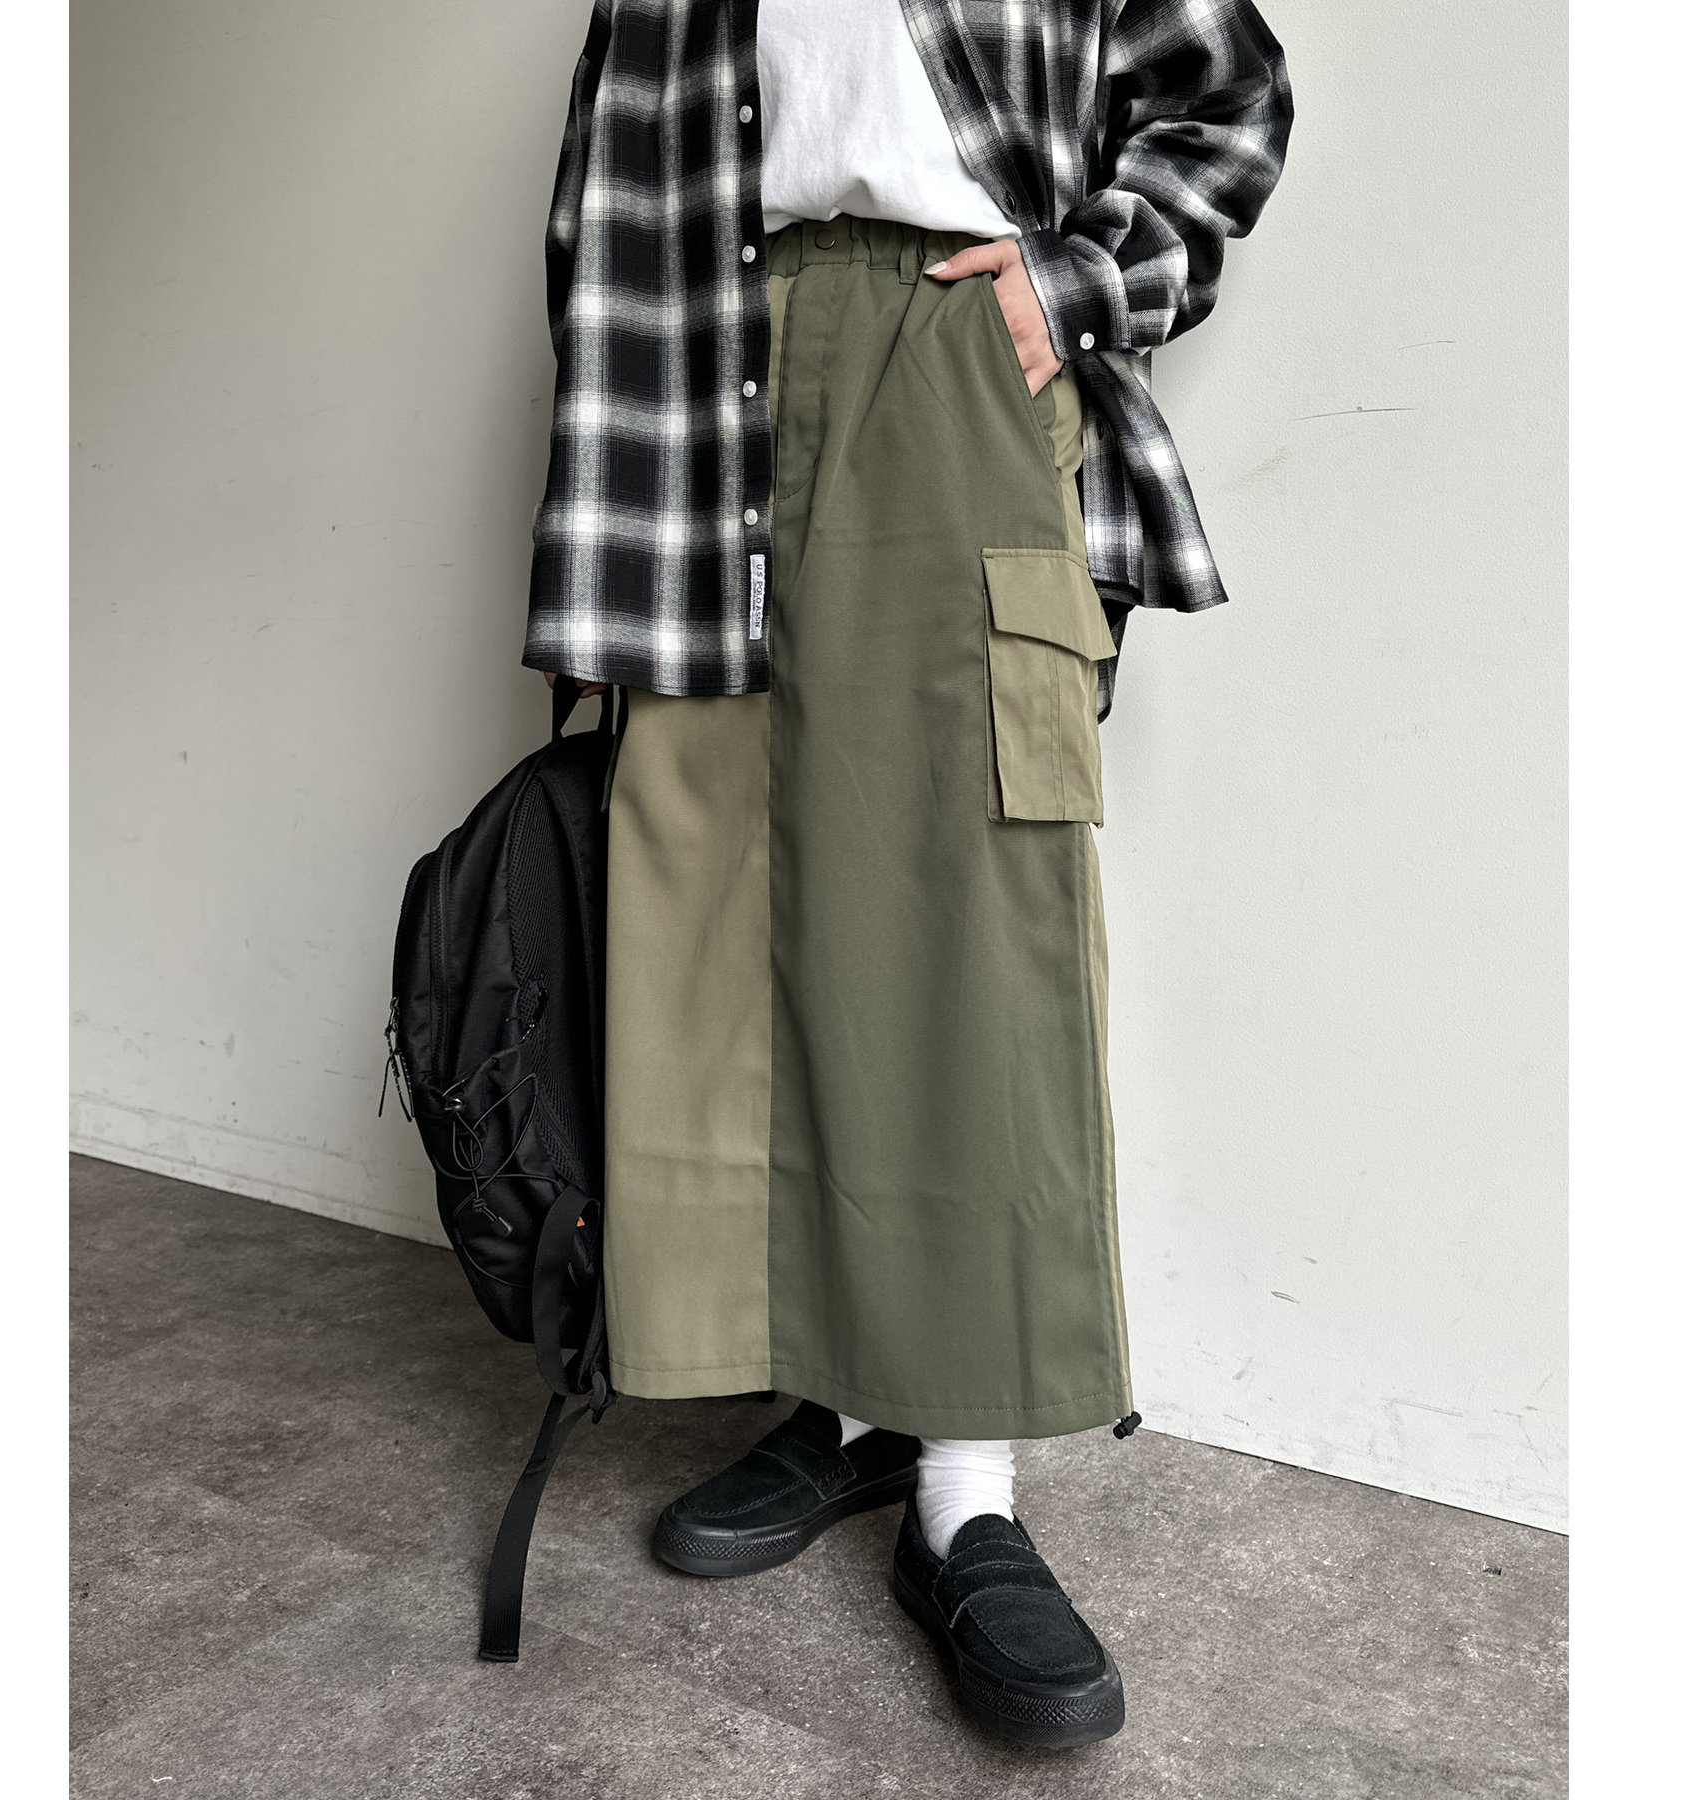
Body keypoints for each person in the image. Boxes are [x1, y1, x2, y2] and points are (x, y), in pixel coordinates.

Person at [528, 0, 1291, 1747]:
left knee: (963, 917)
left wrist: (1074, 285)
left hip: (949, 342)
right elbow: (601, 187)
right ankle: (840, 1398)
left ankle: (968, 1485)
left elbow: (1230, 93)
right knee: (726, 911)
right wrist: (598, 482)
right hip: (698, 366)